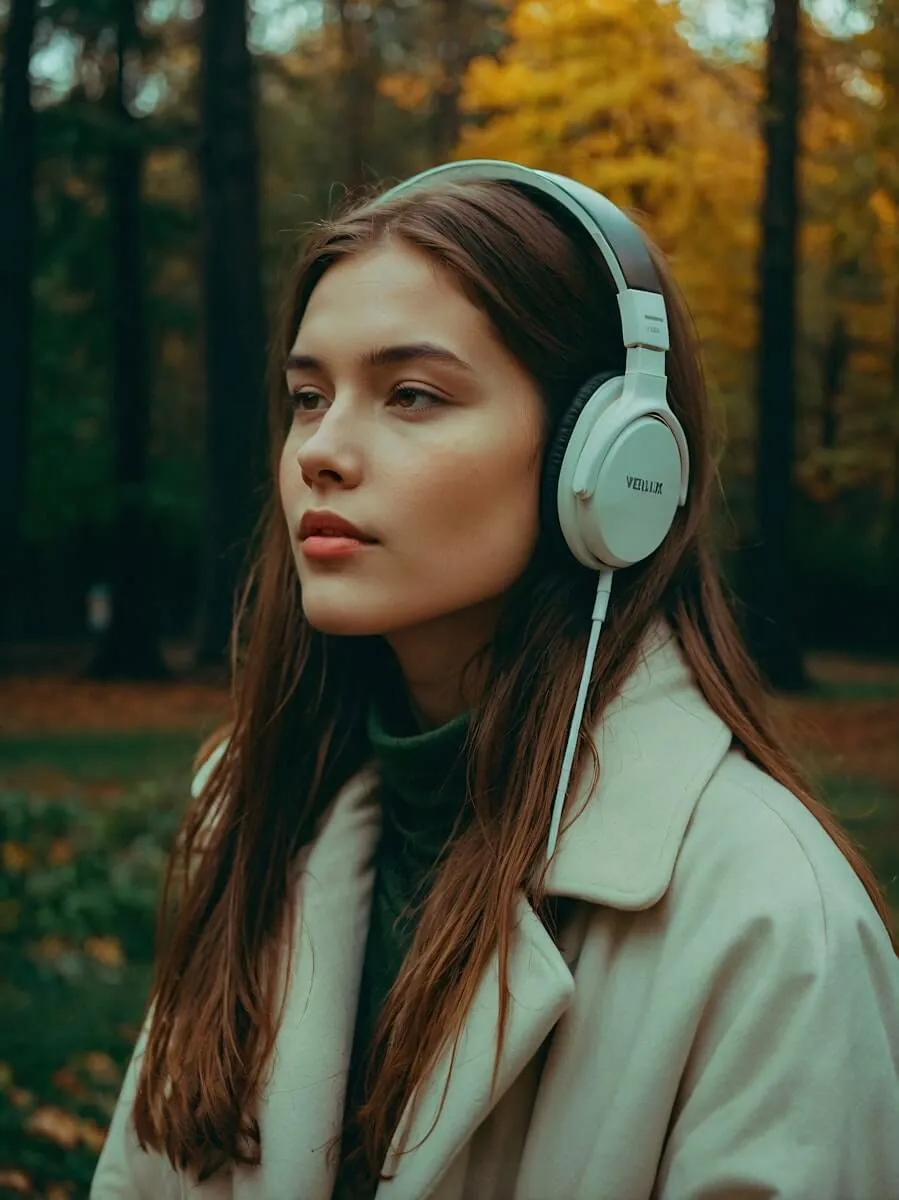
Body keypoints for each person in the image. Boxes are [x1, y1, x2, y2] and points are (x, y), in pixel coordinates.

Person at [91, 160, 899, 1200]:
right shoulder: (245, 811)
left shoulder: (772, 926)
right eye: (306, 396)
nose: (320, 453)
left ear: (611, 465)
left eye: (412, 394)